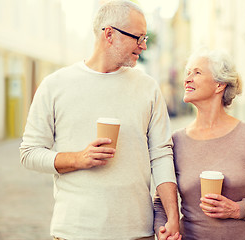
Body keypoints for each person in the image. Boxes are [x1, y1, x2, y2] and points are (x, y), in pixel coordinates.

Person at [19, 1, 181, 239]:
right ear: (109, 34)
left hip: (136, 231)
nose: (144, 46)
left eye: (145, 38)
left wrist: (172, 217)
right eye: (138, 38)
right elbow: (29, 153)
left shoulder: (148, 88)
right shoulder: (55, 85)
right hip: (75, 231)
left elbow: (161, 154)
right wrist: (78, 158)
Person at [154, 48, 245, 240]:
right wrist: (162, 231)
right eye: (187, 72)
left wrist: (236, 209)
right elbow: (160, 203)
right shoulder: (176, 141)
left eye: (197, 72)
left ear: (219, 85)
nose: (187, 79)